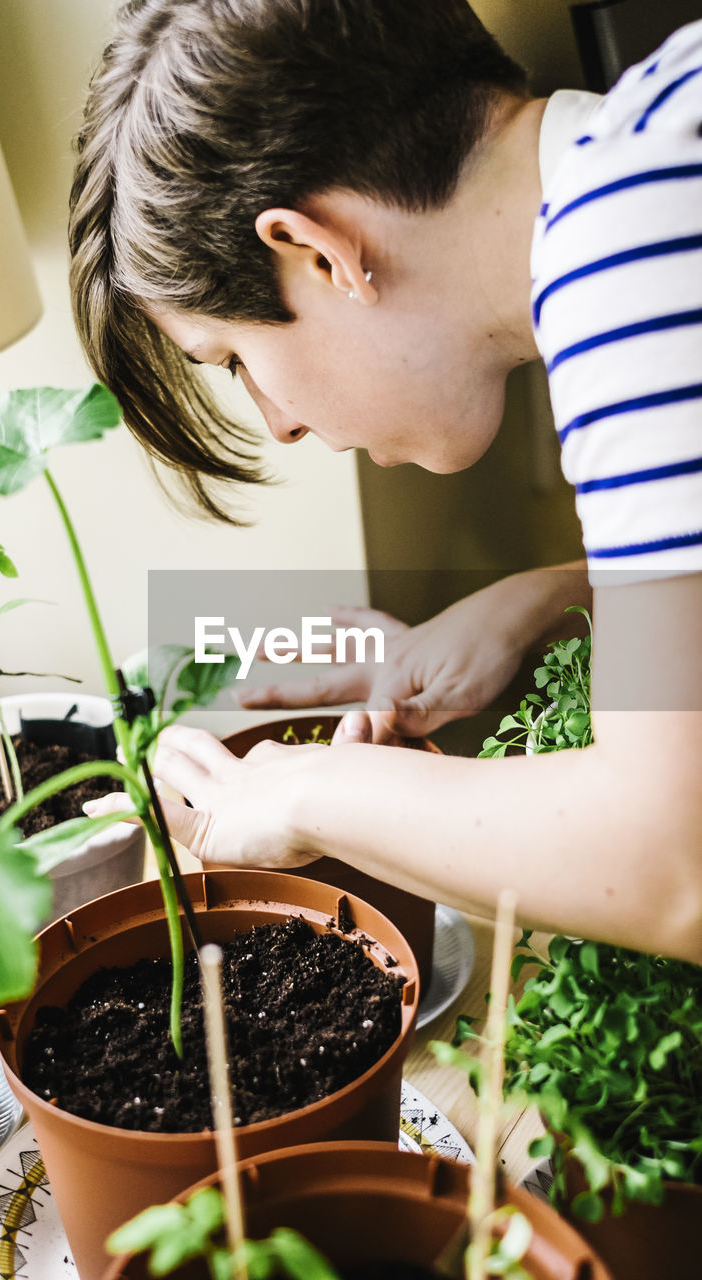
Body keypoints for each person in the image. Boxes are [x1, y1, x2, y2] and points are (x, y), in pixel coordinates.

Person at [72, 1, 702, 964]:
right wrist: (548, 599)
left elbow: (673, 866)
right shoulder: (659, 136)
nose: (277, 422)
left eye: (233, 360)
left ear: (317, 253)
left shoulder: (626, 250)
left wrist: (295, 795)